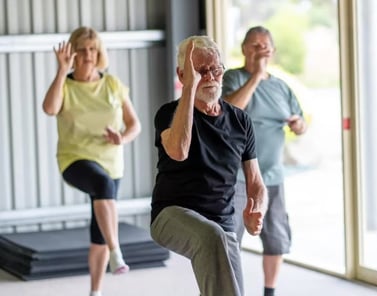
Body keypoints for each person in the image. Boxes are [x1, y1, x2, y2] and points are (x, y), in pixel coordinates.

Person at [150, 35, 268, 296]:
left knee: (230, 289)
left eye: (216, 69)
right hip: (171, 215)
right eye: (201, 71)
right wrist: (189, 89)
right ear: (183, 75)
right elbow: (179, 151)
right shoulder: (168, 114)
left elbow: (256, 181)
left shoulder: (240, 121)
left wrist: (256, 208)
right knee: (211, 236)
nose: (211, 77)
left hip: (222, 225)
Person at [42, 26, 141, 296]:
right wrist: (62, 71)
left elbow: (135, 125)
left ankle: (95, 291)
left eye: (93, 49)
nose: (88, 54)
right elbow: (50, 109)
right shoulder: (67, 85)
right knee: (102, 184)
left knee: (99, 231)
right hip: (74, 159)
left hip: (111, 162)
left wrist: (122, 137)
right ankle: (117, 251)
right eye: (82, 50)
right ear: (73, 53)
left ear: (99, 52)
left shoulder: (112, 84)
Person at [222, 26, 307, 296]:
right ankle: (232, 290)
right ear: (244, 48)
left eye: (264, 45)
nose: (259, 49)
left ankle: (269, 292)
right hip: (236, 176)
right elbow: (231, 110)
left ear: (272, 51)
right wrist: (256, 75)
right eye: (254, 45)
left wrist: (298, 125)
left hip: (272, 175)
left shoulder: (282, 87)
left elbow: (300, 121)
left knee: (276, 238)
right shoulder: (233, 78)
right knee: (230, 239)